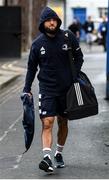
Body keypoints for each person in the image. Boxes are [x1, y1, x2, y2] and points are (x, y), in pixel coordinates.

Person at [23, 6, 84, 173]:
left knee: (63, 122)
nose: (52, 22)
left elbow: (79, 57)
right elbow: (31, 68)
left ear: (57, 21)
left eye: (54, 20)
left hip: (67, 90)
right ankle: (47, 157)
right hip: (47, 89)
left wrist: (74, 75)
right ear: (43, 23)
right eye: (49, 20)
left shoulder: (67, 37)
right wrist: (27, 88)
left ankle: (58, 153)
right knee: (48, 122)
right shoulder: (37, 44)